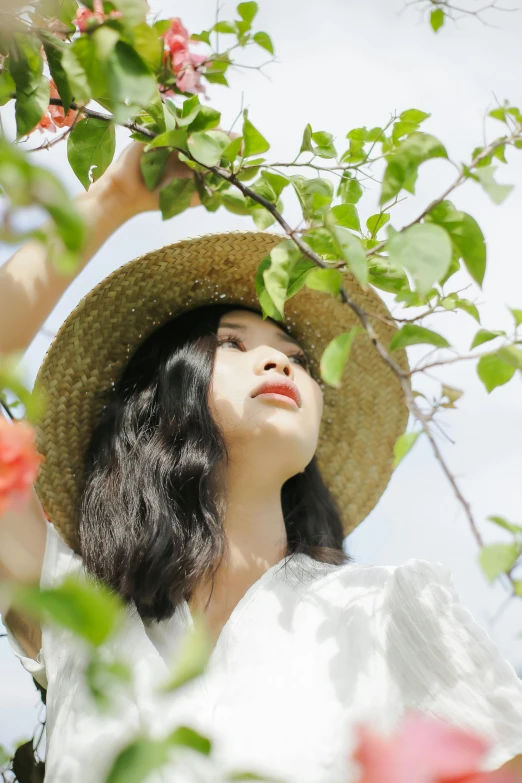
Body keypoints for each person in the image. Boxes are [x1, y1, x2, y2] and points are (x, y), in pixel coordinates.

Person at [1, 142, 522, 783]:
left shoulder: (390, 608)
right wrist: (115, 198)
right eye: (232, 344)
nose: (279, 362)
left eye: (297, 357)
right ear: (164, 399)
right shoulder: (74, 611)